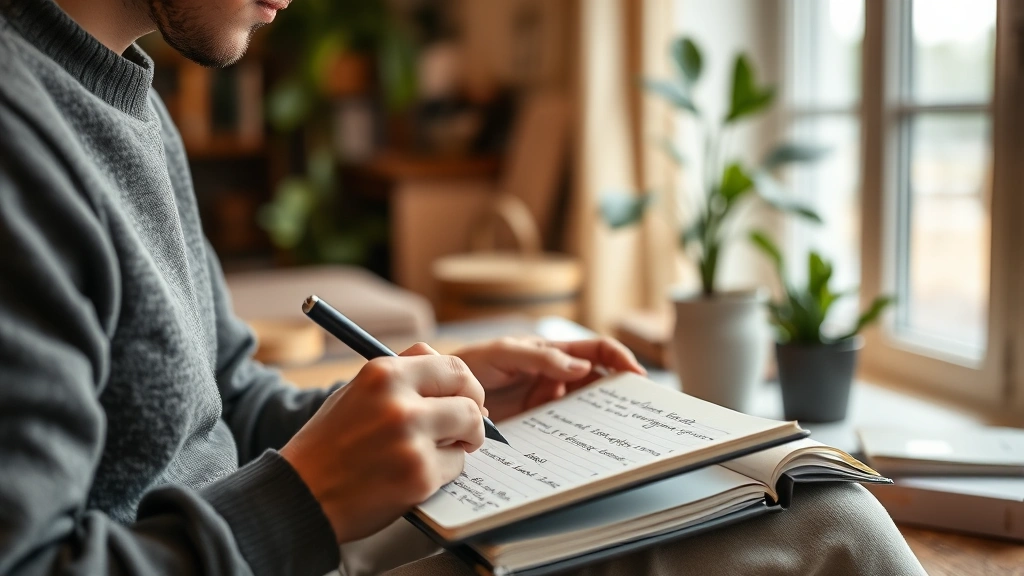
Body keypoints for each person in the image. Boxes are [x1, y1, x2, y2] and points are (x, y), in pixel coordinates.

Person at [0, 0, 926, 574]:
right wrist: (307, 502)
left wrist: (399, 400)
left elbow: (226, 405)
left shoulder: (129, 101)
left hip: (275, 544)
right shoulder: (17, 127)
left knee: (804, 499)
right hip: (277, 548)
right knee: (827, 538)